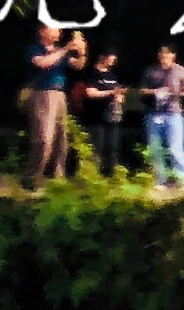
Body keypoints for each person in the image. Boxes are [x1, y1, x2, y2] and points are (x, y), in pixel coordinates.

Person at [18, 17, 78, 188]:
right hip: (42, 94)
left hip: (59, 95)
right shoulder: (34, 49)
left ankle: (59, 177)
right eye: (54, 28)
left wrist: (81, 52)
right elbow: (43, 63)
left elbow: (78, 65)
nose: (58, 32)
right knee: (44, 137)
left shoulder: (61, 51)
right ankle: (31, 176)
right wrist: (66, 48)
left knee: (61, 138)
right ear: (42, 31)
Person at [141, 43, 184, 187]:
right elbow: (142, 90)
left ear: (173, 56)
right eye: (162, 54)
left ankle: (183, 180)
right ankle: (160, 180)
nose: (164, 57)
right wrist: (156, 92)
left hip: (174, 113)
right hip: (154, 113)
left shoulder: (180, 71)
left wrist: (180, 93)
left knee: (176, 148)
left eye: (167, 55)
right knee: (155, 148)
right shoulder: (151, 71)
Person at [78, 48, 131, 177]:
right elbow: (90, 93)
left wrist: (120, 97)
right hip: (96, 116)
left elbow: (117, 92)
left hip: (112, 116)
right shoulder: (92, 73)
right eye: (111, 56)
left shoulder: (112, 74)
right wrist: (111, 93)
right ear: (102, 57)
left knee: (112, 147)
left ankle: (111, 176)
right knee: (97, 146)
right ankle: (92, 176)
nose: (113, 59)